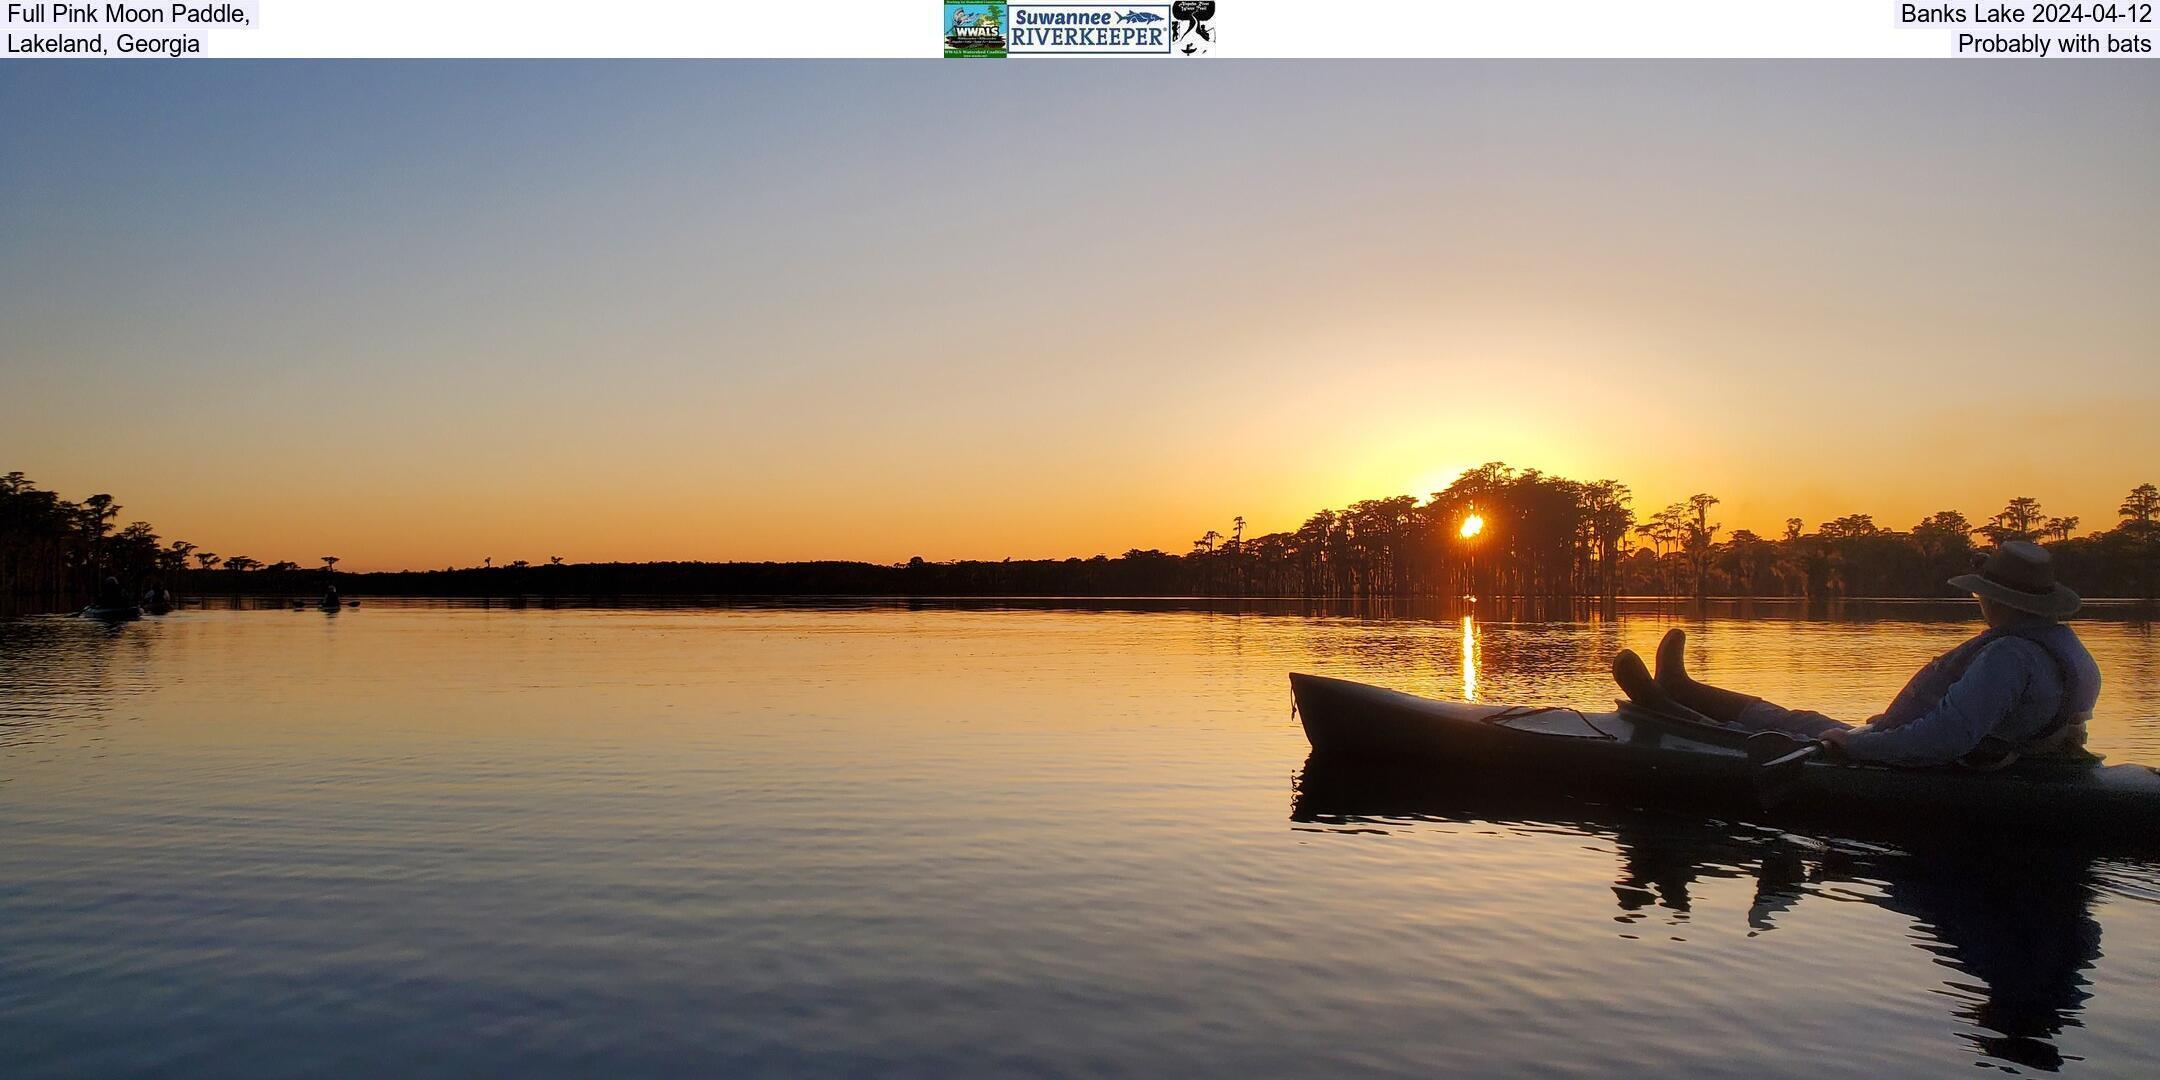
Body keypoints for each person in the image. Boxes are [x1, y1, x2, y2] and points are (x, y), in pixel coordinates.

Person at [1611, 541, 2101, 768]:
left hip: (1920, 764)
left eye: (1980, 594)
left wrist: (1858, 747)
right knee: (1798, 716)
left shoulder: (2008, 658)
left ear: (1997, 598)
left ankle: (1668, 706)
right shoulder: (2060, 647)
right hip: (1924, 746)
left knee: (1776, 732)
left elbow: (1945, 739)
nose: (1980, 602)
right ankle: (1682, 687)